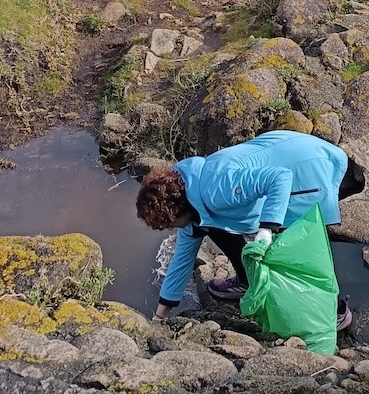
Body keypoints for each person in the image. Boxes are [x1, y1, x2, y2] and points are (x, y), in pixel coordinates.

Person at [137, 131, 352, 328]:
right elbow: (181, 262)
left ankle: (336, 310)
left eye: (169, 224)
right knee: (214, 228)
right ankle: (246, 280)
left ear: (176, 210)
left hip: (314, 169)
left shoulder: (216, 189)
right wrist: (160, 317)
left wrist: (267, 229)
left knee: (296, 250)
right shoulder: (192, 203)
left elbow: (280, 178)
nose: (171, 229)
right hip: (285, 161)